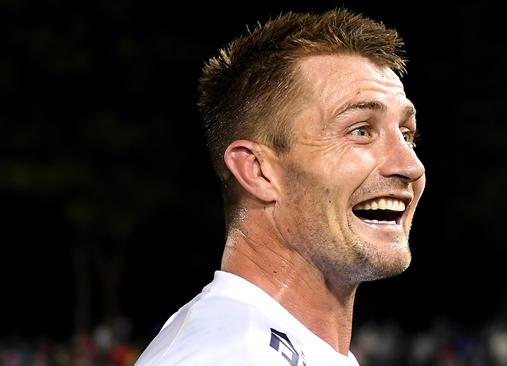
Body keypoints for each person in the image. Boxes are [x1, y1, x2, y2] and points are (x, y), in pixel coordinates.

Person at [135, 8, 425, 365]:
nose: (410, 166)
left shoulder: (289, 348)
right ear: (257, 171)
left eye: (407, 135)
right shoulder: (225, 354)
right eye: (360, 131)